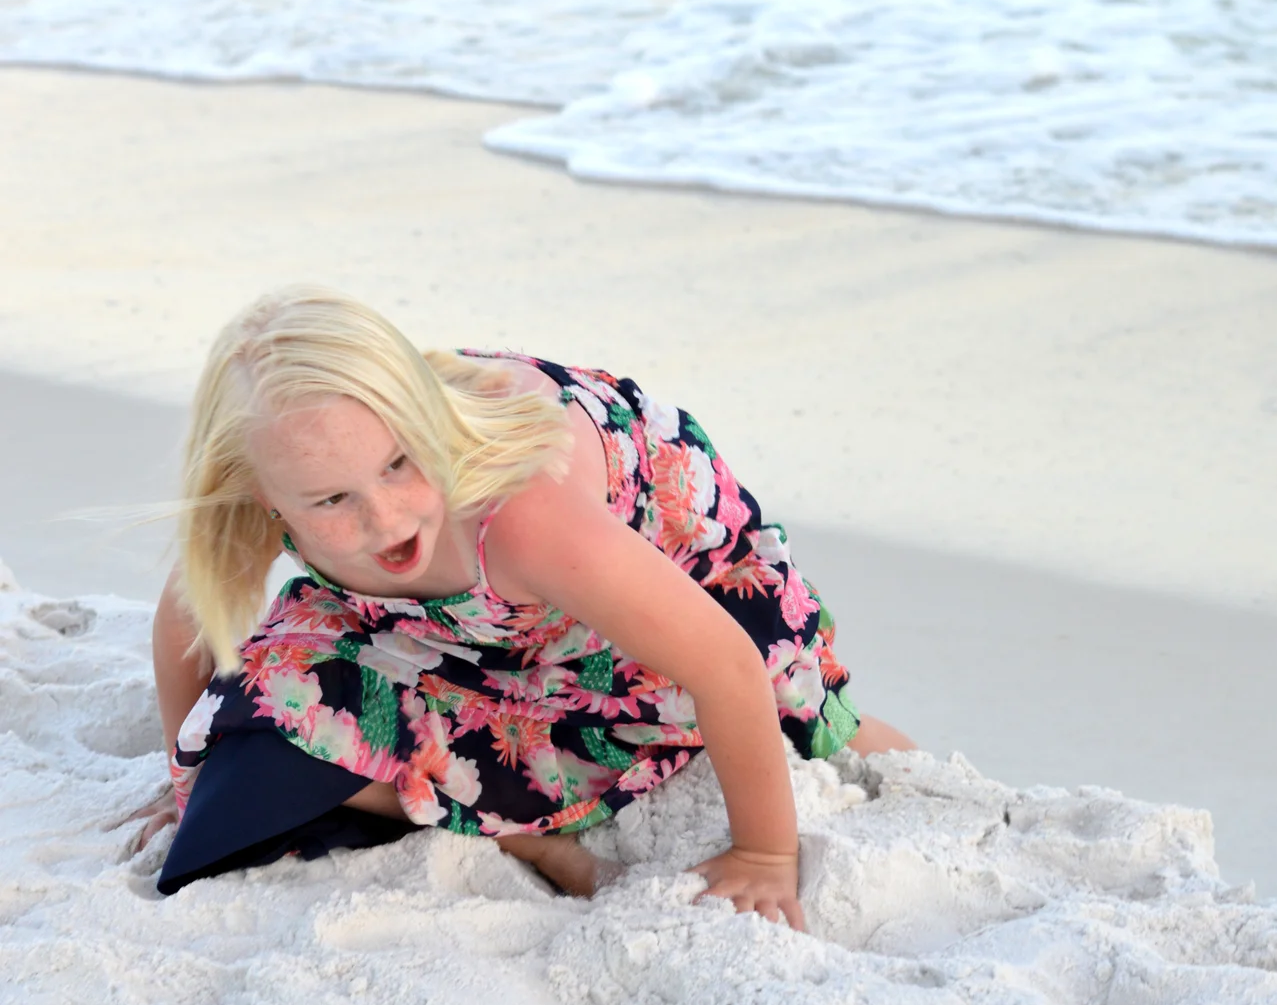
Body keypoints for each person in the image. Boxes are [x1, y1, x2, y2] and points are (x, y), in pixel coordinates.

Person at [135, 289, 914, 926]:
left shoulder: (527, 513)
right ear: (262, 494)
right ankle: (528, 839)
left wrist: (765, 855)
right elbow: (186, 622)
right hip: (466, 627)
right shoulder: (262, 483)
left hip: (657, 586)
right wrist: (185, 784)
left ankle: (870, 743)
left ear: (425, 420)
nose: (385, 517)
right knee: (241, 759)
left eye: (399, 463)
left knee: (809, 725)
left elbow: (725, 665)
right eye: (332, 501)